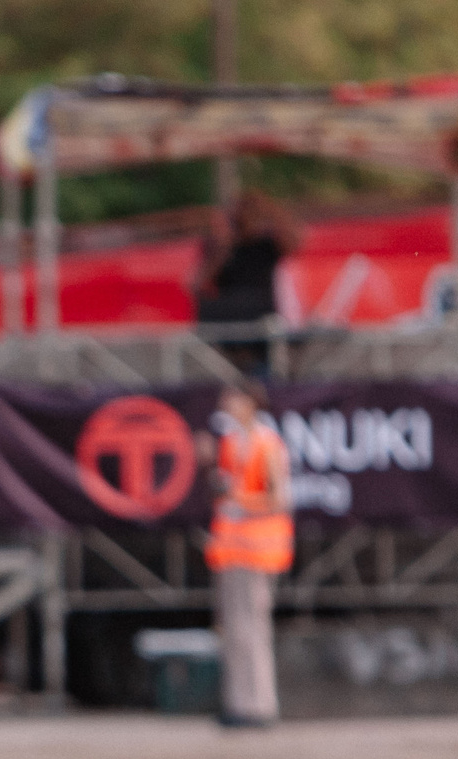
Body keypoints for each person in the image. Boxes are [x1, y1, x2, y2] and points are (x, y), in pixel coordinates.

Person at [202, 378, 293, 728]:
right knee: (235, 629)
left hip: (258, 549)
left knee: (253, 628)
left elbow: (279, 498)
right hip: (231, 549)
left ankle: (259, 705)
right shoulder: (231, 442)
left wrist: (242, 501)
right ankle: (239, 702)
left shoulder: (266, 443)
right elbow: (226, 490)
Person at [193, 190, 300, 328]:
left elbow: (295, 242)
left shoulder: (267, 243)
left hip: (260, 310)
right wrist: (224, 246)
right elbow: (196, 284)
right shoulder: (219, 245)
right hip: (228, 308)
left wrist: (269, 212)